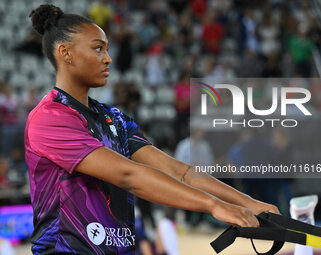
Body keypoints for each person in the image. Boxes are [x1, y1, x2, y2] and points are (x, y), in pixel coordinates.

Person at [25, 4, 279, 255]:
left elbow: (179, 171)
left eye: (107, 49)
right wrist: (214, 205)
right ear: (65, 52)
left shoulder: (115, 118)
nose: (108, 58)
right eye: (98, 48)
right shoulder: (49, 118)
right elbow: (128, 175)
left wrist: (250, 204)